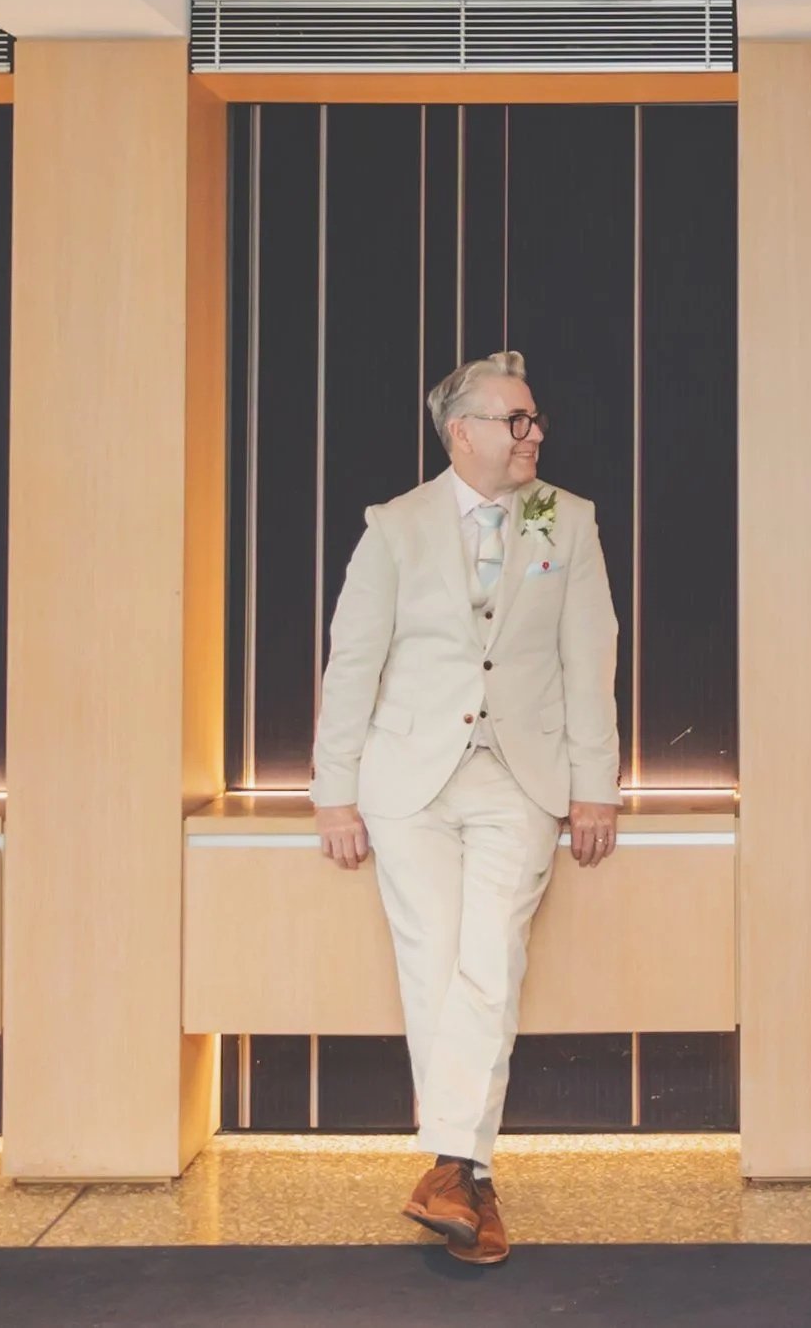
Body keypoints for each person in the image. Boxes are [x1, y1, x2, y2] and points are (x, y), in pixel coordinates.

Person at [309, 350, 620, 1266]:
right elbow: (352, 662)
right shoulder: (394, 527)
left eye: (535, 421)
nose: (534, 433)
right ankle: (463, 1172)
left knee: (491, 957)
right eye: (516, 420)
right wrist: (334, 793)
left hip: (517, 778)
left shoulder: (568, 521)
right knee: (434, 964)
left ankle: (450, 1166)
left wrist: (592, 784)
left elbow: (589, 660)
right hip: (408, 782)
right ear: (463, 433)